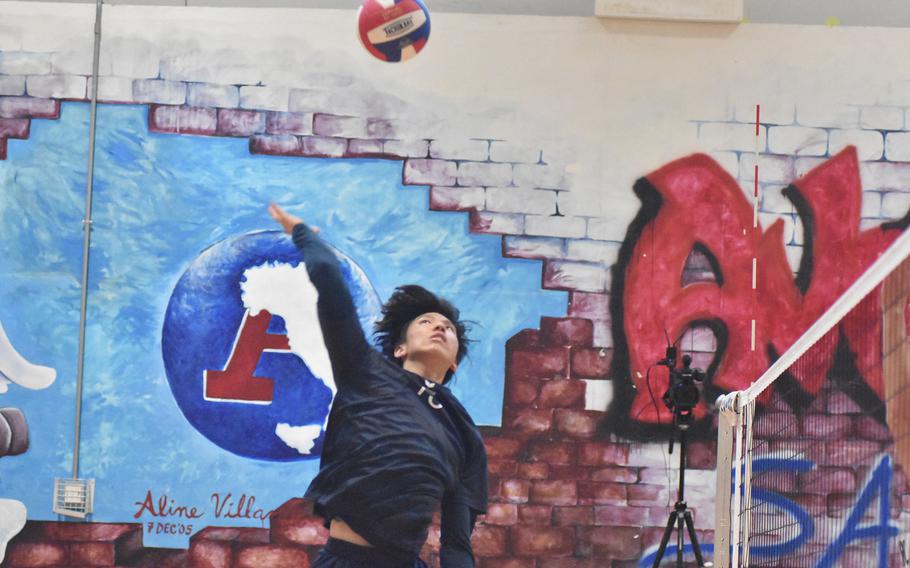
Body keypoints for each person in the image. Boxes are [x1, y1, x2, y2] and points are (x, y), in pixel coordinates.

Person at [268, 203, 488, 568]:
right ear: (400, 348)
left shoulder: (463, 432)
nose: (440, 327)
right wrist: (303, 234)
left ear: (453, 362)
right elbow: (328, 277)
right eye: (427, 321)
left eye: (448, 328)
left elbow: (457, 541)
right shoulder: (365, 371)